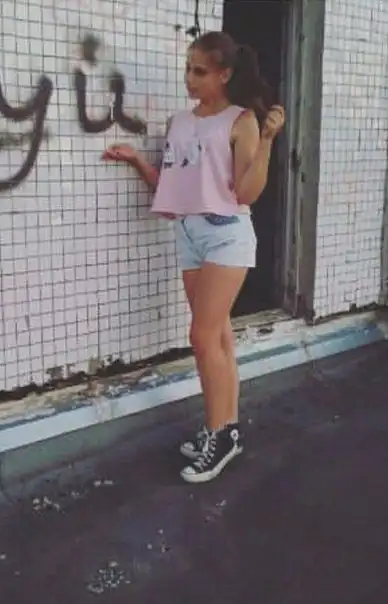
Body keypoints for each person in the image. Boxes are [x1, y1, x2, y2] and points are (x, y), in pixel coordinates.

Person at [102, 31, 285, 484]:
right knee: (217, 337)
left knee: (202, 338)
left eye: (200, 71)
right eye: (188, 68)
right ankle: (224, 429)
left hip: (226, 235)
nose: (190, 78)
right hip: (188, 233)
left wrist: (266, 140)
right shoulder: (179, 122)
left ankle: (219, 436)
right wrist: (137, 162)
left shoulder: (241, 120)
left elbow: (246, 193)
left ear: (225, 74)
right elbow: (173, 185)